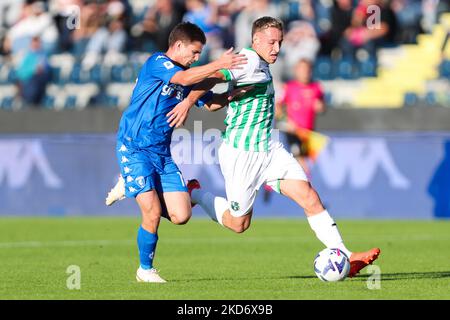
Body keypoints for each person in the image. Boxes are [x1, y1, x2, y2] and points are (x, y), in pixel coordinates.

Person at [108, 17, 381, 278]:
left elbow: (212, 93)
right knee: (239, 224)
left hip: (268, 149)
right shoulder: (248, 60)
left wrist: (228, 96)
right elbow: (212, 75)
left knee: (309, 196)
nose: (277, 48)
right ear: (257, 40)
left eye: (280, 42)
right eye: (272, 42)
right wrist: (188, 103)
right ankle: (196, 193)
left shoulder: (261, 63)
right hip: (242, 153)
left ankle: (345, 254)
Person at [111, 21, 247, 283]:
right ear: (179, 45)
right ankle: (145, 270)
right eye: (194, 53)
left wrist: (233, 95)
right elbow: (183, 79)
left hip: (161, 153)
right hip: (134, 147)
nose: (196, 58)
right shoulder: (157, 62)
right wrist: (219, 63)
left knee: (181, 216)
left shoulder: (188, 76)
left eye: (199, 55)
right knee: (151, 212)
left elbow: (210, 105)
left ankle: (161, 188)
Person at [275, 58, 326, 175]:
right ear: (296, 71)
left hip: (307, 134)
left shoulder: (316, 87)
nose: (305, 72)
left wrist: (320, 106)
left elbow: (322, 107)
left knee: (298, 166)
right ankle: (306, 190)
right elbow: (277, 108)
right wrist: (287, 121)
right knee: (302, 165)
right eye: (302, 69)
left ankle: (300, 189)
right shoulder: (289, 87)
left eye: (307, 69)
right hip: (292, 132)